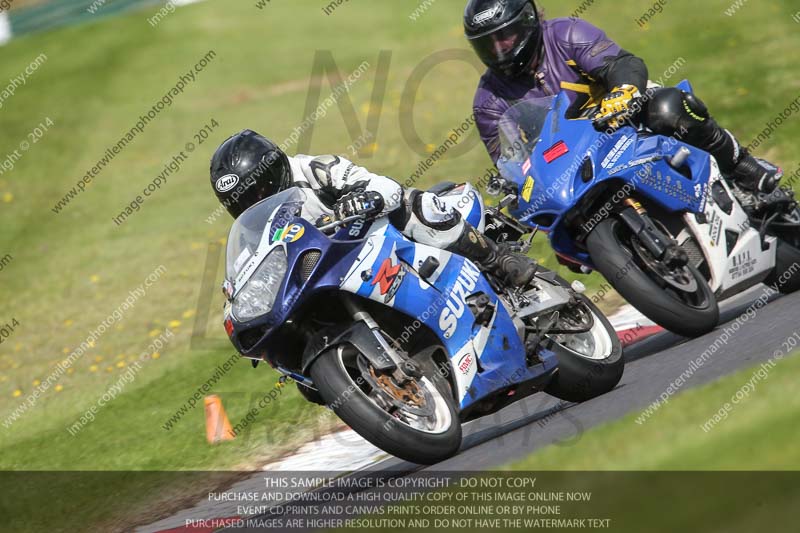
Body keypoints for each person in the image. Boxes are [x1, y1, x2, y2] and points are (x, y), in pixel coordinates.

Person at [464, 0, 783, 194]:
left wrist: (624, 92)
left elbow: (622, 64)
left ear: (527, 22)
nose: (499, 49)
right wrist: (516, 183)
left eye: (504, 37)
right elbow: (509, 162)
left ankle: (743, 168)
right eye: (488, 44)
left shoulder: (565, 34)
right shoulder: (488, 100)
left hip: (625, 119)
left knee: (669, 109)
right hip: (573, 162)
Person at [209, 129, 537, 286]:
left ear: (275, 170)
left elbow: (386, 187)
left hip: (379, 241)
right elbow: (244, 277)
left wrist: (365, 199)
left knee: (414, 204)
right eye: (242, 203)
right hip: (337, 277)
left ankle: (497, 259)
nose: (256, 204)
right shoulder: (252, 231)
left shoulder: (316, 170)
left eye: (260, 191)